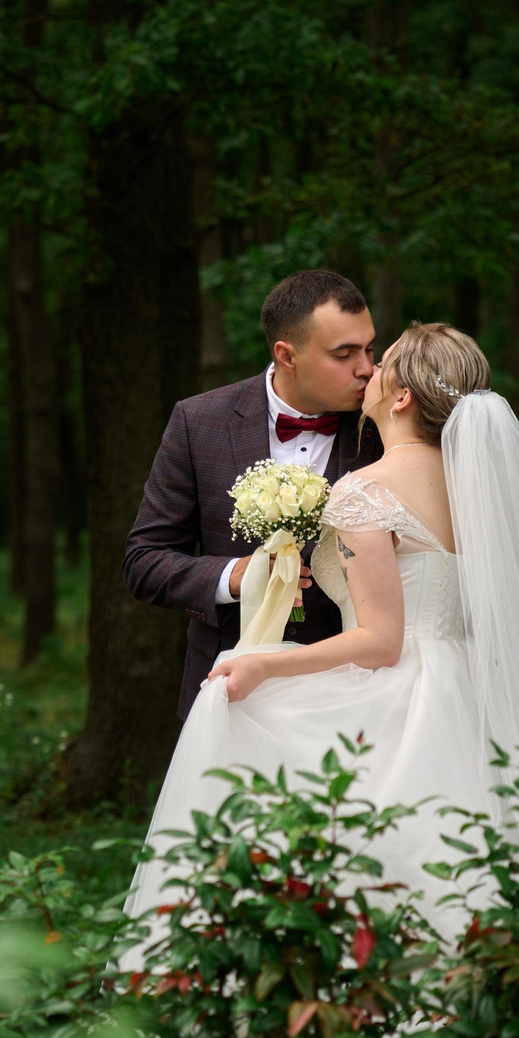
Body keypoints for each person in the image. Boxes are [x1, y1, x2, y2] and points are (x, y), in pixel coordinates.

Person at [121, 321, 519, 942]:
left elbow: (381, 641)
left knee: (249, 730)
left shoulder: (364, 490)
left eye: (381, 363)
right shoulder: (475, 488)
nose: (367, 371)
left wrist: (263, 662)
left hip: (394, 692)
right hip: (469, 690)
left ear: (402, 396)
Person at [123, 270, 383, 718]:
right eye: (344, 354)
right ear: (286, 355)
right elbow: (144, 561)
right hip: (229, 693)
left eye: (370, 349)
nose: (366, 368)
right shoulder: (198, 422)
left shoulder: (384, 426)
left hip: (354, 693)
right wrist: (233, 576)